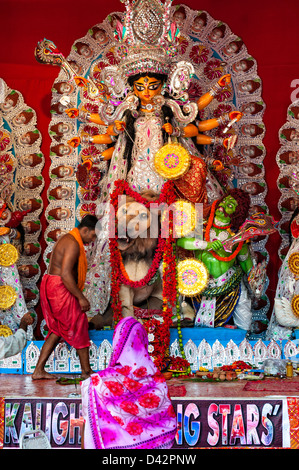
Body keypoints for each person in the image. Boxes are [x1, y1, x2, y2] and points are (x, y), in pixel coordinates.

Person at [80, 316, 177, 449]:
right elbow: (167, 424)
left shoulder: (97, 383)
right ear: (143, 341)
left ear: (117, 343)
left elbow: (88, 428)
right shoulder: (156, 380)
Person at [32, 215, 98, 380]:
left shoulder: (69, 239)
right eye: (93, 235)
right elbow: (66, 275)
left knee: (57, 329)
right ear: (85, 230)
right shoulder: (73, 244)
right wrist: (81, 298)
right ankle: (87, 371)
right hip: (59, 287)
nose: (93, 239)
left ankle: (38, 370)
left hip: (53, 285)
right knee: (79, 322)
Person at [177, 189, 253, 330]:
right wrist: (207, 245)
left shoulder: (238, 236)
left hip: (229, 286)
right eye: (223, 201)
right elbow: (181, 242)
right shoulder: (203, 226)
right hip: (199, 285)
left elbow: (245, 262)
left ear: (237, 213)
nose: (222, 206)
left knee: (245, 320)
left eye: (229, 206)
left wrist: (254, 279)